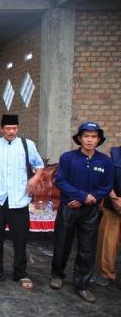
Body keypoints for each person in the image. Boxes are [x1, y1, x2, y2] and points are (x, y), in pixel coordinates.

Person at [0, 114, 44, 289]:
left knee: (20, 238)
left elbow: (39, 165)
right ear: (1, 129)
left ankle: (20, 273)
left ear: (18, 128)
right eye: (8, 128)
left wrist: (36, 178)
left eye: (14, 128)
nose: (11, 132)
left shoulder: (27, 145)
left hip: (19, 199)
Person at [50, 122, 114, 302]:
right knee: (62, 243)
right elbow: (61, 181)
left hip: (90, 211)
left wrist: (89, 198)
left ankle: (82, 285)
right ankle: (57, 275)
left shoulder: (105, 161)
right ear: (79, 138)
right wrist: (80, 197)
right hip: (68, 207)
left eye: (93, 137)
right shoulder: (68, 158)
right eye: (86, 136)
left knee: (87, 248)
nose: (89, 140)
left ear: (98, 140)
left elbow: (106, 186)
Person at [93, 145, 121, 287]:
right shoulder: (114, 155)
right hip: (114, 206)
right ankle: (106, 273)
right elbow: (105, 179)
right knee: (107, 243)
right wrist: (115, 199)